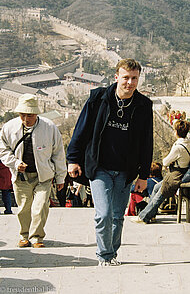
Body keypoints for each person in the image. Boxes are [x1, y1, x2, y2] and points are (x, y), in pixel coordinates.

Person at [67, 58, 153, 266]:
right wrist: (72, 159)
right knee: (103, 214)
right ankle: (104, 255)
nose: (129, 83)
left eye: (134, 78)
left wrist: (143, 176)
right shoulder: (99, 98)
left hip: (126, 169)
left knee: (117, 216)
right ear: (116, 77)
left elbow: (146, 142)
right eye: (126, 78)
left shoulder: (143, 105)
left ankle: (112, 253)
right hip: (100, 167)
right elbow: (82, 128)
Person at [0, 93, 67, 248]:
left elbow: (58, 153)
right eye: (23, 115)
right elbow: (3, 150)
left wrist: (60, 178)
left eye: (29, 115)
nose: (26, 119)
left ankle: (36, 237)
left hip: (42, 175)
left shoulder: (49, 127)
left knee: (41, 205)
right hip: (21, 176)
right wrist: (15, 163)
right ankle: (24, 235)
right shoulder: (9, 128)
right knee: (23, 207)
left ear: (36, 113)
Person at [131, 120, 190, 224]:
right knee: (156, 188)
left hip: (174, 176)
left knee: (159, 196)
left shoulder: (178, 147)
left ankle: (143, 217)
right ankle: (152, 216)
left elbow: (165, 161)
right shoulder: (187, 143)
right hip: (181, 172)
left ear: (176, 131)